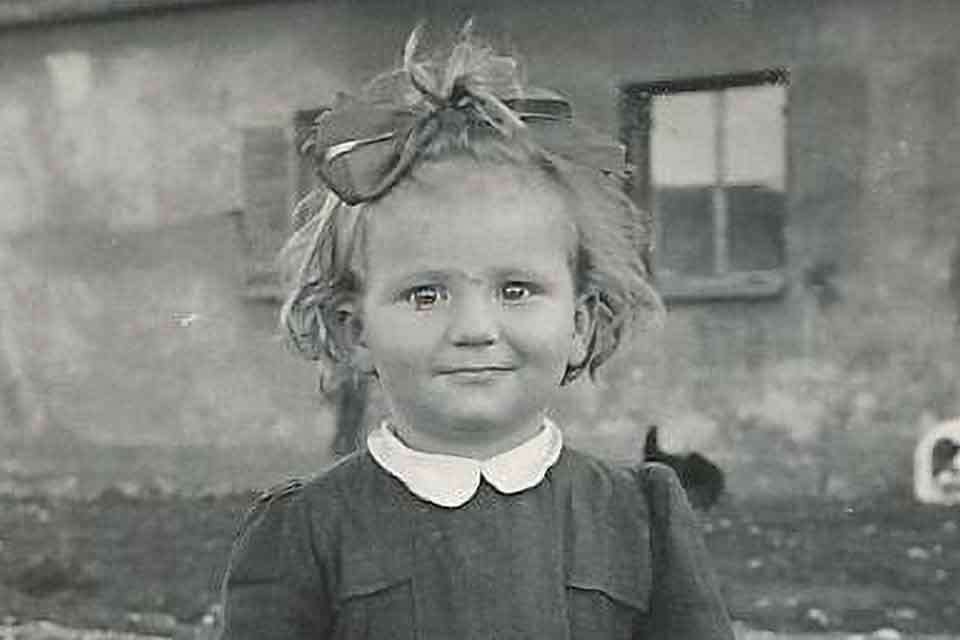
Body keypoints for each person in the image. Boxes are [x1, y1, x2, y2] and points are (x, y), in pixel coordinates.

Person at [220, 22, 734, 640]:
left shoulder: (640, 519)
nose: (473, 329)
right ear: (355, 330)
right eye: (425, 294)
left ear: (580, 321)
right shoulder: (305, 531)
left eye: (515, 290)